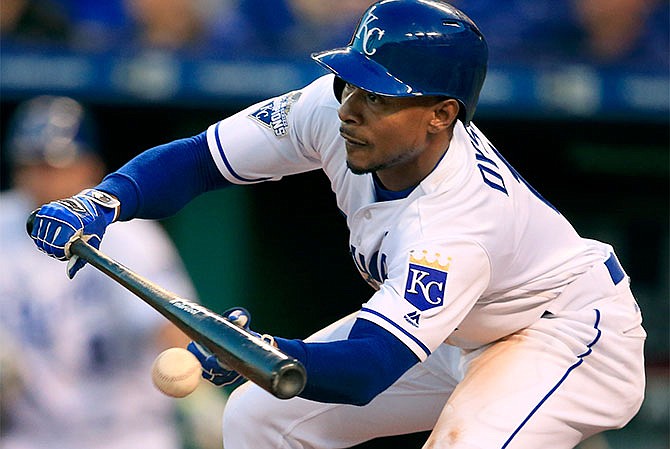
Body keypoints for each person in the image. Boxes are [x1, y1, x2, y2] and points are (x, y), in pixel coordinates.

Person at [26, 1, 647, 448]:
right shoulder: (333, 106)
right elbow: (200, 160)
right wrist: (101, 201)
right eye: (353, 82)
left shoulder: (456, 221)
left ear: (441, 114)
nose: (351, 107)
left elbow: (367, 369)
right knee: (255, 419)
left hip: (562, 334)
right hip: (457, 332)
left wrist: (262, 352)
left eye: (380, 95)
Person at [0, 95, 198, 449]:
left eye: (56, 165)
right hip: (30, 436)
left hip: (127, 435)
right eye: (32, 165)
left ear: (89, 167)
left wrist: (202, 399)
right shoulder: (3, 223)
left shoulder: (125, 232)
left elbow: (169, 323)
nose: (42, 178)